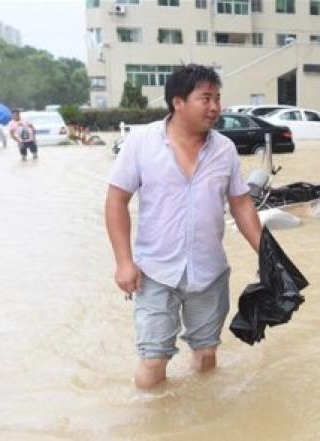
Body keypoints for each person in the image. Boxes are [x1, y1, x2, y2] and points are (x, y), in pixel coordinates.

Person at [105, 64, 262, 390]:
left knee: (206, 355)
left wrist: (268, 254)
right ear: (178, 102)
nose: (215, 107)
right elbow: (116, 200)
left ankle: (202, 417)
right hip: (155, 271)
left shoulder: (224, 149)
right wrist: (123, 262)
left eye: (218, 98)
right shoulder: (142, 142)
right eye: (205, 98)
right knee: (152, 360)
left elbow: (242, 204)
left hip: (209, 271)